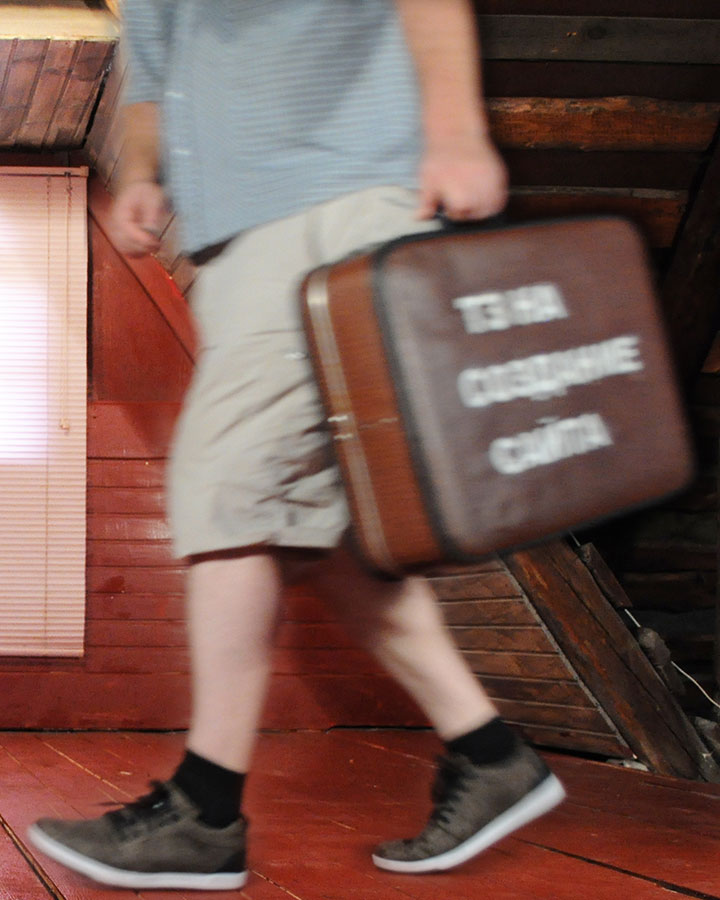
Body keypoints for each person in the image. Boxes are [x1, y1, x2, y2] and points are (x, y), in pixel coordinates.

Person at [28, 0, 564, 890]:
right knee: (317, 538)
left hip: (332, 197)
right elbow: (155, 71)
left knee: (224, 486)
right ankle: (491, 753)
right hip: (239, 240)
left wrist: (458, 131)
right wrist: (148, 172)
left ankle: (204, 812)